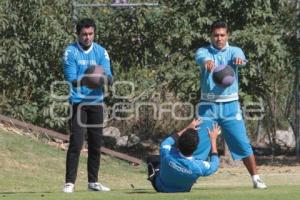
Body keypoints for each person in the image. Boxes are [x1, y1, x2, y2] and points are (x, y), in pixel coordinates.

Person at [194, 20, 267, 189]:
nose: (219, 38)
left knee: (242, 143)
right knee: (199, 145)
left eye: (222, 35)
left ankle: (256, 178)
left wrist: (239, 61)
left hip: (230, 105)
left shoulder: (235, 51)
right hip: (207, 106)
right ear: (211, 36)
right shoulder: (203, 51)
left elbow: (239, 57)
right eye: (216, 35)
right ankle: (189, 178)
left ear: (227, 35)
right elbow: (201, 59)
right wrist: (207, 62)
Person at [62, 18, 113, 193]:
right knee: (76, 142)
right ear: (78, 34)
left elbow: (109, 76)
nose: (87, 37)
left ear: (94, 34)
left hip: (96, 103)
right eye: (84, 34)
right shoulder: (71, 52)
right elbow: (72, 80)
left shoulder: (101, 52)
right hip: (78, 103)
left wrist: (104, 78)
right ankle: (69, 183)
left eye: (90, 34)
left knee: (96, 144)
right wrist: (90, 77)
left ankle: (93, 182)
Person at [147, 119, 220, 192]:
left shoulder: (167, 154)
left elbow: (167, 141)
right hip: (183, 190)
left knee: (152, 159)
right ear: (195, 148)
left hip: (160, 187)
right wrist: (213, 140)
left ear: (179, 143)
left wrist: (187, 128)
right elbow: (215, 164)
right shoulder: (198, 167)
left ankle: (153, 175)